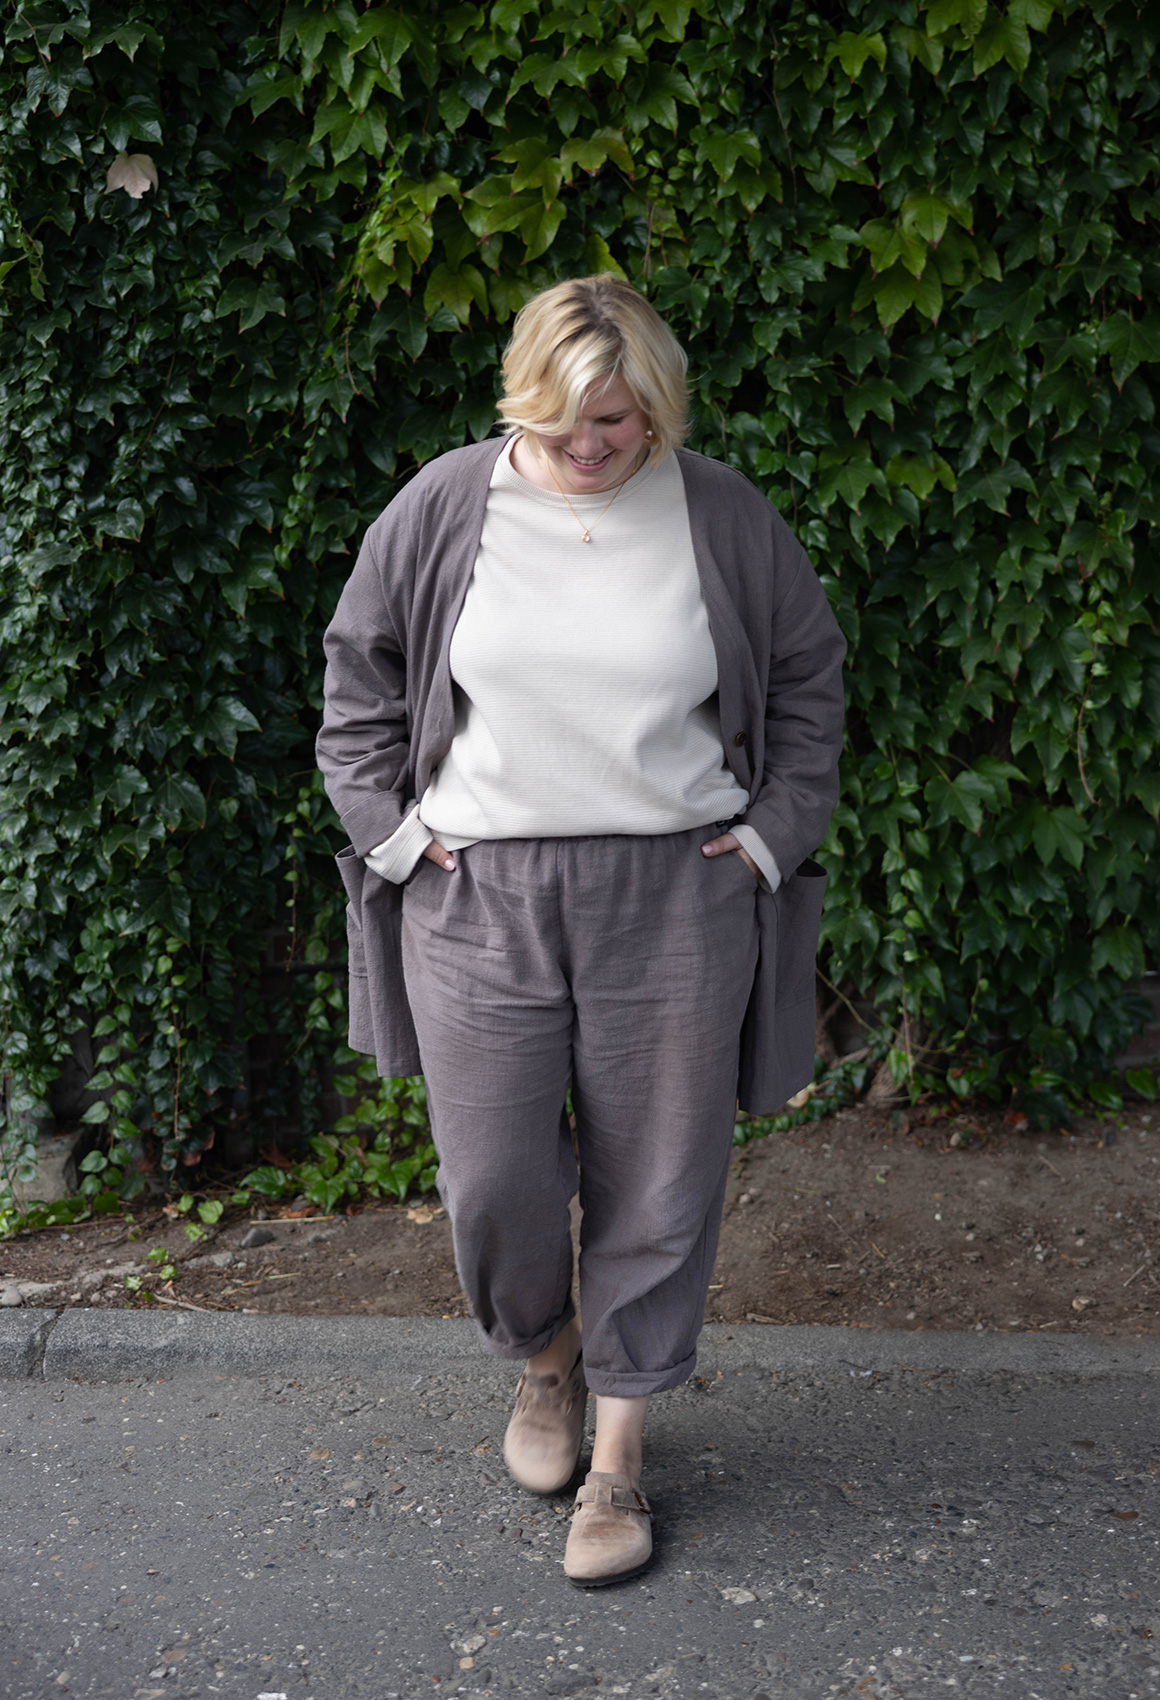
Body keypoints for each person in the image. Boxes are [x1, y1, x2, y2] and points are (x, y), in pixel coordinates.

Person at [316, 275, 845, 1587]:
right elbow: (358, 680)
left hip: (677, 892)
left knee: (659, 1179)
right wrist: (394, 837)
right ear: (520, 399)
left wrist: (769, 840)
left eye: (617, 419)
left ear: (657, 406)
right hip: (477, 892)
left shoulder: (720, 514)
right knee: (491, 1177)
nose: (590, 444)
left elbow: (808, 681)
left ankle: (618, 1456)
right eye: (561, 420)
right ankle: (546, 1356)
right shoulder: (446, 507)